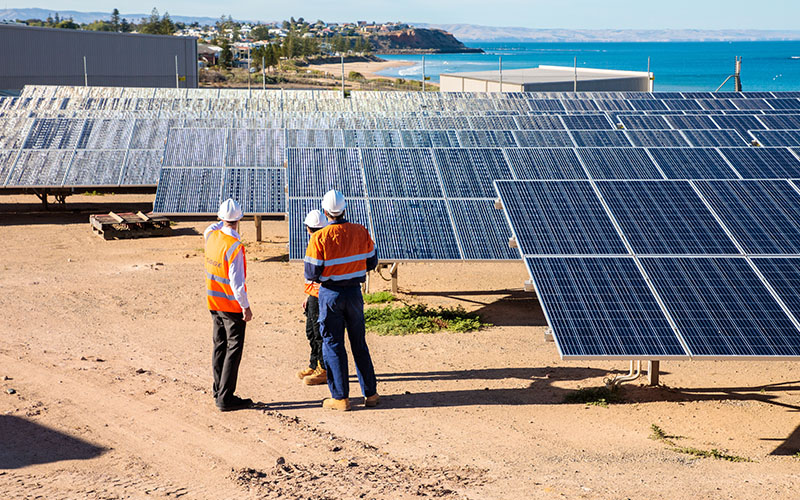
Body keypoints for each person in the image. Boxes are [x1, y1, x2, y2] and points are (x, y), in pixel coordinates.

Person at [304, 190, 379, 411]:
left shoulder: (319, 237)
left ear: (325, 212)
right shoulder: (360, 231)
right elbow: (372, 261)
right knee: (359, 343)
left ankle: (340, 398)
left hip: (330, 294)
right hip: (354, 294)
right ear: (344, 209)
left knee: (333, 344)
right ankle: (371, 394)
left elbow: (311, 272)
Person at [204, 198, 254, 412]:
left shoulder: (211, 237)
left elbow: (212, 227)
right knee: (233, 350)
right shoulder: (234, 247)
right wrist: (246, 307)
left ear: (220, 218)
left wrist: (222, 221)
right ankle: (226, 397)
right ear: (239, 220)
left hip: (213, 302)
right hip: (231, 306)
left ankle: (218, 390)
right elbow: (237, 284)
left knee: (219, 346)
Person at [297, 209, 328, 386]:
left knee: (318, 333)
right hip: (313, 295)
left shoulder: (324, 244)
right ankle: (313, 364)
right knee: (311, 332)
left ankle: (323, 369)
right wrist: (308, 296)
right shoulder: (315, 243)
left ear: (308, 228)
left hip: (320, 295)